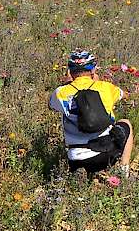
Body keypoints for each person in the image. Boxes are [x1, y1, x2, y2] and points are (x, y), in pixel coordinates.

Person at [49, 49, 134, 180]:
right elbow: (124, 95)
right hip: (103, 156)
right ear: (93, 70)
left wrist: (67, 83)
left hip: (74, 159)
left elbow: (51, 105)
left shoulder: (60, 93)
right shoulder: (105, 88)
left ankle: (80, 171)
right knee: (126, 123)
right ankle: (124, 172)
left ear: (70, 72)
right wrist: (97, 82)